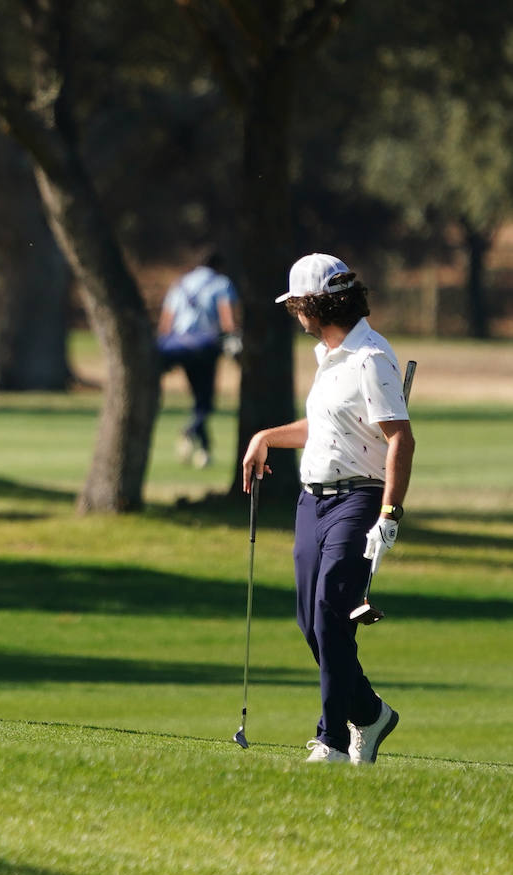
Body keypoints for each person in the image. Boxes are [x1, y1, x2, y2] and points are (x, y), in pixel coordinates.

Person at [241, 253, 414, 765]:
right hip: (311, 500)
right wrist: (267, 436)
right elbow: (328, 428)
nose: (294, 311)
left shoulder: (369, 357)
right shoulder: (329, 354)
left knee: (331, 607)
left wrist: (389, 514)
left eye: (297, 302)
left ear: (319, 303)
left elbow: (399, 437)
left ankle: (332, 738)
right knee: (310, 622)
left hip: (360, 497)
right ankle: (370, 712)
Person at [157, 252, 240, 468]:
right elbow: (227, 319)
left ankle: (204, 450)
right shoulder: (222, 283)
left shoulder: (181, 284)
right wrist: (234, 341)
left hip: (180, 346)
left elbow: (166, 322)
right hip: (205, 347)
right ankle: (190, 431)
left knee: (198, 399)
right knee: (206, 401)